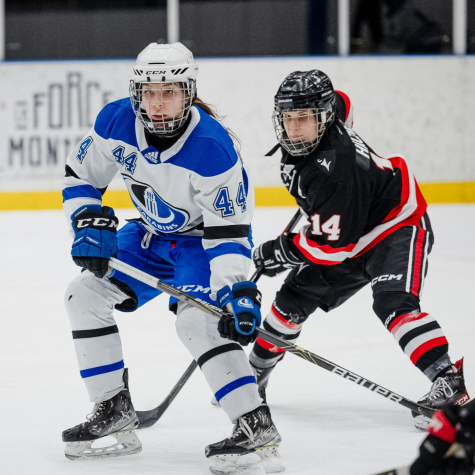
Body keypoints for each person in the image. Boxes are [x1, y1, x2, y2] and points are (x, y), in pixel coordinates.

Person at [61, 42, 283, 474]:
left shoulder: (212, 149)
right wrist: (86, 220)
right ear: (136, 92)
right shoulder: (115, 122)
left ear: (188, 91)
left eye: (170, 92)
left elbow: (228, 233)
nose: (158, 103)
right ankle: (113, 408)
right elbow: (80, 175)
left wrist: (235, 291)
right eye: (150, 92)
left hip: (204, 244)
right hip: (147, 238)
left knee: (197, 321)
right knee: (82, 296)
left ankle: (254, 424)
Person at [220, 69, 469, 431]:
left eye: (303, 118)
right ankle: (254, 375)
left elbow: (333, 248)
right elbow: (345, 102)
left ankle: (449, 381)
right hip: (348, 224)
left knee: (392, 302)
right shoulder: (329, 114)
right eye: (288, 118)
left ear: (322, 118)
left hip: (395, 225)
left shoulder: (337, 167)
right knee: (290, 301)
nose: (293, 128)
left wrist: (282, 251)